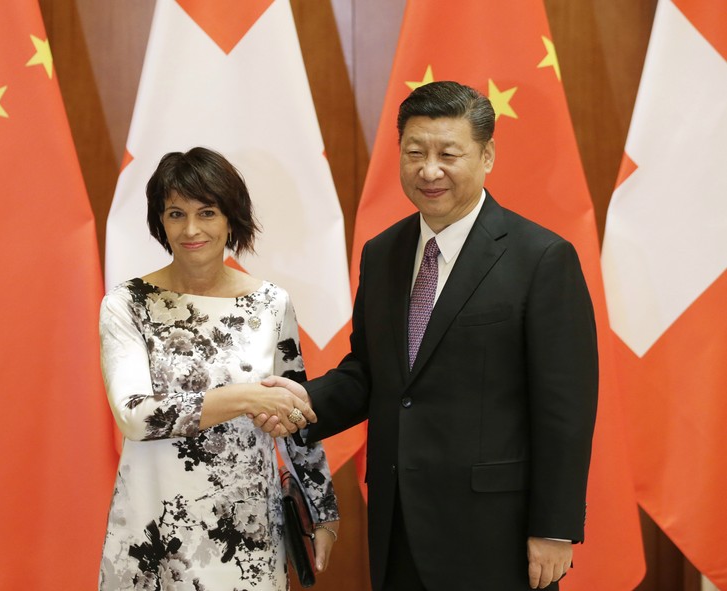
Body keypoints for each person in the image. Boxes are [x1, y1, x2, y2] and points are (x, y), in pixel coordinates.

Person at [258, 81, 598, 590]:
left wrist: (555, 528)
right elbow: (371, 374)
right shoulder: (383, 252)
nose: (429, 170)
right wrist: (304, 400)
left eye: (448, 153)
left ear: (487, 156)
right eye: (414, 153)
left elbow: (564, 407)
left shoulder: (541, 258)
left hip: (495, 532)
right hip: (398, 520)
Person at [98, 147, 340, 590]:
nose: (191, 230)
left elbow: (297, 412)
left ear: (231, 218)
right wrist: (248, 397)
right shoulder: (127, 304)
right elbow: (136, 416)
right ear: (160, 221)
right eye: (176, 214)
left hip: (246, 529)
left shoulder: (271, 304)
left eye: (207, 212)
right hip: (155, 526)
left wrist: (324, 511)